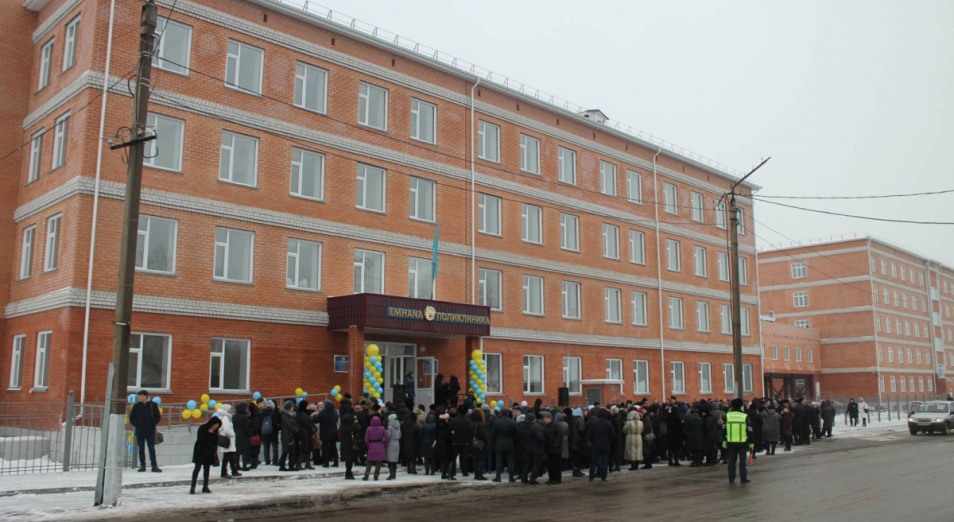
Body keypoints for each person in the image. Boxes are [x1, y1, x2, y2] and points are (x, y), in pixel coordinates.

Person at [129, 390, 161, 473]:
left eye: (140, 395)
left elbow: (157, 416)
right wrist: (137, 424)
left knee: (151, 448)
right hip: (140, 431)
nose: (138, 397)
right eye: (138, 396)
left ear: (145, 396)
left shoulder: (153, 405)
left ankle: (154, 466)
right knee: (141, 449)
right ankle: (142, 465)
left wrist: (152, 423)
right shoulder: (136, 406)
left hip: (150, 431)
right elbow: (131, 417)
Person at [190, 416, 222, 494]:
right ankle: (193, 486)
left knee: (207, 469)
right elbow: (201, 439)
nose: (216, 427)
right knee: (197, 468)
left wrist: (214, 450)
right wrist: (209, 432)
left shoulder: (215, 431)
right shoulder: (203, 427)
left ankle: (205, 486)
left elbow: (215, 441)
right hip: (200, 451)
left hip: (209, 452)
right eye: (216, 425)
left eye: (218, 426)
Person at [723, 398, 752, 484]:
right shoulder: (744, 416)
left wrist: (724, 440)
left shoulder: (728, 415)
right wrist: (751, 442)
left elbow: (724, 429)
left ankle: (731, 478)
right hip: (742, 442)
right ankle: (743, 478)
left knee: (731, 461)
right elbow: (749, 430)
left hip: (731, 442)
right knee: (742, 461)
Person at [588, 408, 614, 482]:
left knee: (594, 461)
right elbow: (612, 435)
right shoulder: (609, 423)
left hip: (596, 444)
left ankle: (591, 476)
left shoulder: (594, 423)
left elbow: (589, 435)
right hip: (605, 444)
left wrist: (593, 441)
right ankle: (603, 477)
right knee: (604, 461)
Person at [491, 409, 517, 482]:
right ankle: (511, 477)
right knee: (510, 461)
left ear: (501, 413)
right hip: (509, 443)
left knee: (499, 461)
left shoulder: (497, 422)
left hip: (499, 443)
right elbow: (516, 434)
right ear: (508, 413)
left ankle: (498, 477)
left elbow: (493, 434)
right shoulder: (512, 422)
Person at [216, 404, 241, 478]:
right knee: (227, 456)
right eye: (230, 409)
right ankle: (224, 472)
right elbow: (226, 428)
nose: (231, 410)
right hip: (228, 439)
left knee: (229, 456)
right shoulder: (225, 417)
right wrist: (233, 434)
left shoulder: (222, 417)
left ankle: (234, 471)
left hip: (226, 438)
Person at [520, 412, 545, 484]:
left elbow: (520, 437)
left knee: (527, 464)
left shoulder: (522, 426)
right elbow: (539, 438)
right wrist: (543, 441)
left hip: (527, 448)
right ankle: (532, 479)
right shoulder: (534, 427)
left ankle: (524, 478)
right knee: (536, 464)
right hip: (536, 448)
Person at [363, 416, 389, 481]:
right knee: (378, 462)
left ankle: (366, 475)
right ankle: (376, 475)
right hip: (380, 445)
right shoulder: (382, 428)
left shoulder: (369, 429)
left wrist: (368, 445)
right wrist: (385, 444)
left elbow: (366, 439)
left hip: (371, 445)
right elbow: (387, 437)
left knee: (369, 462)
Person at [449, 407, 472, 478]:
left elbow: (450, 429)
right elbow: (469, 431)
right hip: (465, 442)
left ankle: (453, 472)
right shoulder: (468, 421)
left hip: (455, 442)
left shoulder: (454, 420)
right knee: (464, 458)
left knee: (453, 458)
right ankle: (465, 471)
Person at [278, 400, 300, 471]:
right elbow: (288, 425)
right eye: (292, 406)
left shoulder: (292, 414)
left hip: (291, 435)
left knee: (292, 451)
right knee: (285, 451)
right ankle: (282, 466)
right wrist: (296, 430)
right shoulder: (284, 415)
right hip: (286, 435)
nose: (293, 408)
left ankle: (291, 466)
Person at [316, 400, 338, 468]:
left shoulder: (323, 412)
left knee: (325, 448)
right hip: (333, 432)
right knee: (334, 447)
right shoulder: (335, 413)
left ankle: (326, 463)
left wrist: (313, 417)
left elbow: (316, 420)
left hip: (324, 432)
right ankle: (336, 462)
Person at [542, 412, 562, 485]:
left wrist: (556, 444)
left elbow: (559, 436)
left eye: (547, 418)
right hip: (548, 449)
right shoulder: (546, 427)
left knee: (556, 464)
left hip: (556, 449)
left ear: (550, 418)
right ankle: (551, 478)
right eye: (545, 418)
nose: (545, 420)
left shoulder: (556, 425)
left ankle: (557, 479)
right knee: (550, 465)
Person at [469, 409, 488, 480]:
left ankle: (476, 474)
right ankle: (480, 474)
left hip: (472, 443)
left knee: (475, 459)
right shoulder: (480, 424)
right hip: (479, 443)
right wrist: (485, 442)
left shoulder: (470, 423)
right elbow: (482, 434)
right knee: (481, 459)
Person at [232, 402, 252, 471]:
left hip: (236, 435)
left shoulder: (234, 416)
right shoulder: (244, 417)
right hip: (243, 436)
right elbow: (246, 428)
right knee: (244, 452)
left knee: (237, 451)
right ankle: (244, 466)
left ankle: (237, 465)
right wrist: (250, 433)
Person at [340, 412, 359, 480]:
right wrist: (356, 422)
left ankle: (348, 472)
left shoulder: (342, 426)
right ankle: (348, 473)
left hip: (344, 444)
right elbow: (358, 428)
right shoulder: (352, 426)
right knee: (350, 460)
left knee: (348, 460)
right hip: (351, 444)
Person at [401, 410, 421, 474]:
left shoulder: (403, 425)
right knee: (413, 457)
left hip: (405, 442)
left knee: (407, 457)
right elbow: (418, 436)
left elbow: (402, 435)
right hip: (414, 443)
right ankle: (413, 469)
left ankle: (408, 468)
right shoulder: (416, 426)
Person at [436, 412, 455, 479]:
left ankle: (443, 474)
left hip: (440, 445)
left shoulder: (438, 425)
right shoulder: (447, 426)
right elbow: (448, 436)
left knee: (442, 460)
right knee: (449, 460)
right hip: (447, 445)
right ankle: (449, 474)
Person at [261, 400, 279, 465]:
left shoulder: (262, 413)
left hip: (264, 433)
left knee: (266, 448)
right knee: (275, 448)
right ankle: (275, 461)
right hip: (273, 433)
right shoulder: (274, 414)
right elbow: (275, 424)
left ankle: (267, 461)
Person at [385, 413, 402, 480]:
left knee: (390, 460)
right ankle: (394, 474)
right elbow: (400, 435)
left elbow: (388, 436)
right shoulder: (398, 426)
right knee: (394, 460)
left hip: (391, 443)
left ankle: (391, 475)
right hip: (397, 443)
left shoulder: (390, 427)